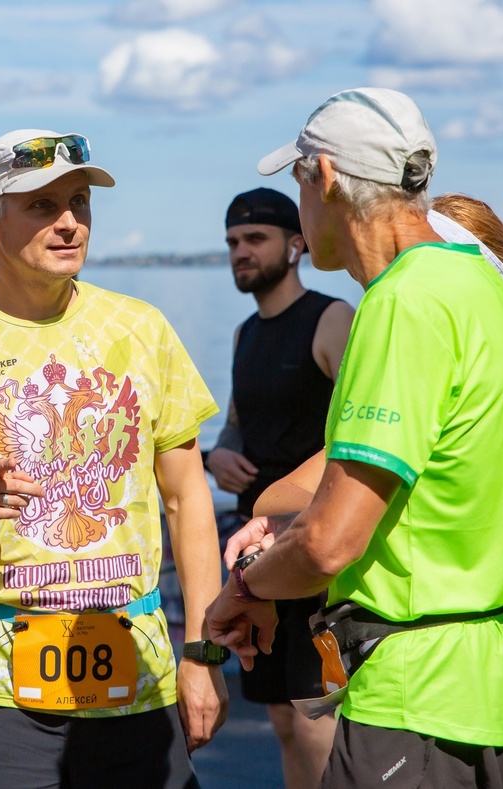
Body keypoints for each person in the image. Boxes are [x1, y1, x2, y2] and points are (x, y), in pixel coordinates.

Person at [0, 129, 228, 788]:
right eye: (40, 205)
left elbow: (187, 496)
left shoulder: (143, 331)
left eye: (80, 202)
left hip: (138, 676)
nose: (69, 223)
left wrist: (202, 651)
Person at [206, 88, 503, 786]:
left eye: (298, 183)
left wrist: (245, 586)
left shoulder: (400, 303)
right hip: (501, 691)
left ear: (324, 178)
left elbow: (332, 539)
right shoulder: (484, 290)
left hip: (414, 699)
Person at [203, 187, 352, 789]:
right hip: (257, 554)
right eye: (234, 241)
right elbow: (238, 423)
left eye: (255, 239)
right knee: (282, 723)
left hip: (314, 549)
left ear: (296, 245)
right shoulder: (244, 333)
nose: (241, 251)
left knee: (319, 720)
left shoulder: (331, 318)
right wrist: (220, 457)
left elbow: (360, 427)